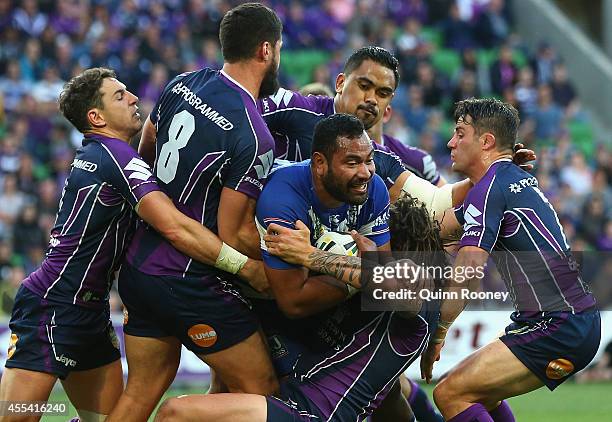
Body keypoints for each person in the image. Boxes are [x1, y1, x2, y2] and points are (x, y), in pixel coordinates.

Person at [0, 67, 266, 422]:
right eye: (119, 95)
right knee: (18, 416)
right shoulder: (116, 158)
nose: (134, 98)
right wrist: (247, 267)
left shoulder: (112, 156)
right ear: (96, 117)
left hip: (91, 312)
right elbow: (174, 226)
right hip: (54, 304)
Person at [153, 114, 442, 422]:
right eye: (354, 162)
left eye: (369, 161)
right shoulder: (363, 302)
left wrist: (313, 257)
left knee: (174, 413)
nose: (367, 173)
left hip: (311, 415)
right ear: (319, 162)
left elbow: (396, 288)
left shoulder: (416, 302)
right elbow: (390, 398)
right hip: (300, 392)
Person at [107, 3, 284, 421]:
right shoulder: (254, 135)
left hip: (138, 268)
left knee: (141, 393)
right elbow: (233, 233)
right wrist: (289, 260)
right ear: (265, 51)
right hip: (187, 280)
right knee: (262, 392)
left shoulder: (182, 83)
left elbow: (144, 152)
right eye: (278, 47)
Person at [420, 98, 600, 422]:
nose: (450, 142)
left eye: (460, 133)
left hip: (558, 323)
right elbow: (438, 228)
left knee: (450, 394)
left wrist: (438, 333)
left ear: (486, 141)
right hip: (569, 319)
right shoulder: (502, 183)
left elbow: (466, 274)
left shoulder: (489, 190)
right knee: (476, 395)